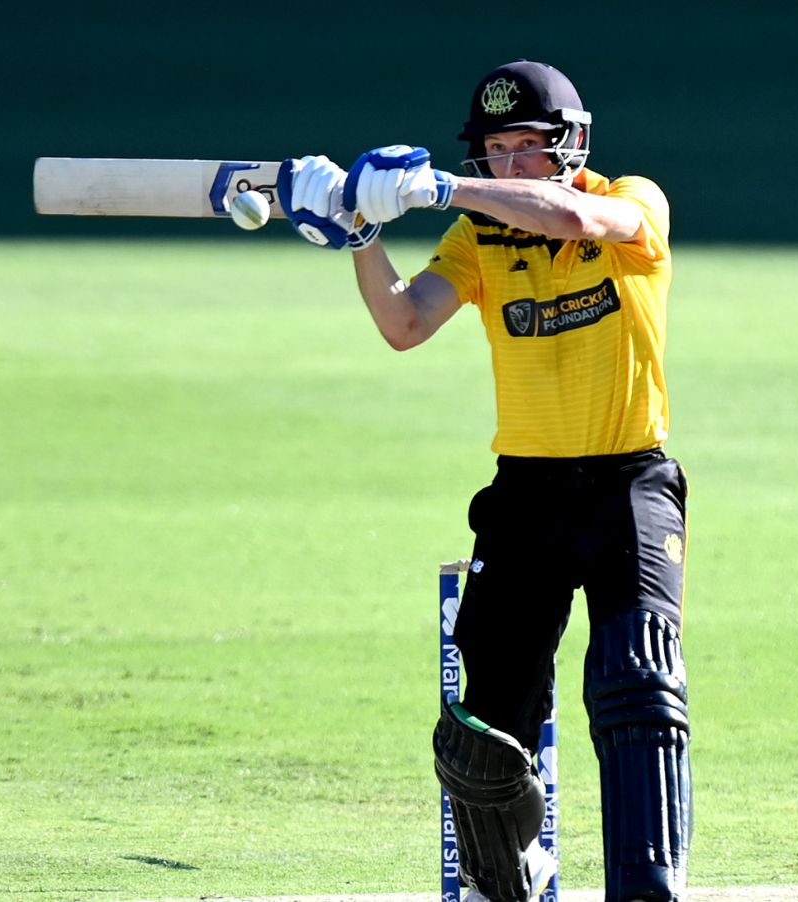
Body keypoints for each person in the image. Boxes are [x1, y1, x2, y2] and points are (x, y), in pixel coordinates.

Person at [274, 60, 691, 902]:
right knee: (482, 723)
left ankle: (647, 888)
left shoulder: (632, 202)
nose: (508, 167)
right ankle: (510, 872)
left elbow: (573, 214)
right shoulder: (480, 242)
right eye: (493, 151)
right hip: (527, 494)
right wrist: (361, 234)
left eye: (525, 149)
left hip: (627, 488)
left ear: (570, 145)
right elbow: (404, 322)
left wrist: (440, 186)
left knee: (636, 680)